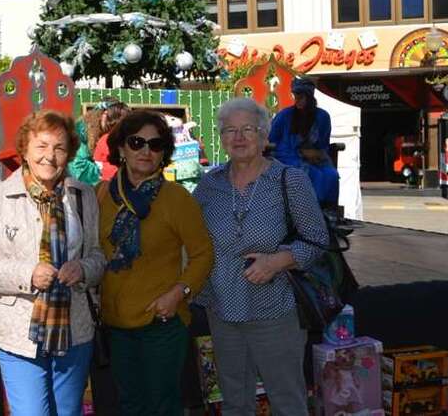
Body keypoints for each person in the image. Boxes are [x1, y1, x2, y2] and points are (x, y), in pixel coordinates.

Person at [192, 97, 329, 416]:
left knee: (287, 400)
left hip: (275, 308)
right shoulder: (209, 184)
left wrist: (277, 261)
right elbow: (189, 238)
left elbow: (317, 240)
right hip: (222, 308)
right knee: (234, 402)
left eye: (248, 129)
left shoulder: (289, 180)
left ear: (264, 135)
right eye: (230, 130)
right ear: (221, 138)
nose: (238, 137)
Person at [0, 109, 106, 416]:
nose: (50, 156)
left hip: (73, 328)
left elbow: (98, 257)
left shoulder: (83, 196)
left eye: (59, 148)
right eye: (41, 146)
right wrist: (27, 274)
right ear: (25, 149)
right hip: (18, 332)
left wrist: (83, 268)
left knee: (67, 412)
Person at [97, 110, 214, 416]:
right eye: (137, 142)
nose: (146, 151)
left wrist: (178, 293)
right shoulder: (103, 195)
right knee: (129, 405)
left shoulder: (176, 198)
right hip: (116, 322)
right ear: (121, 148)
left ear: (164, 153)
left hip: (162, 322)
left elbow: (203, 254)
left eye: (156, 144)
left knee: (162, 405)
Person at [269, 77, 339, 205]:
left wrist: (316, 154)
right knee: (311, 173)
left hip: (316, 158)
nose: (297, 100)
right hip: (288, 157)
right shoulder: (284, 115)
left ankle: (329, 208)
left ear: (310, 97)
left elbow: (324, 144)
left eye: (301, 97)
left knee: (331, 175)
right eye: (296, 97)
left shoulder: (323, 117)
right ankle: (311, 208)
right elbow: (271, 139)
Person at [68, 98, 129, 185]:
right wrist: (104, 170)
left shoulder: (107, 132)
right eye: (115, 121)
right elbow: (76, 165)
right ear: (104, 114)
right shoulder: (83, 130)